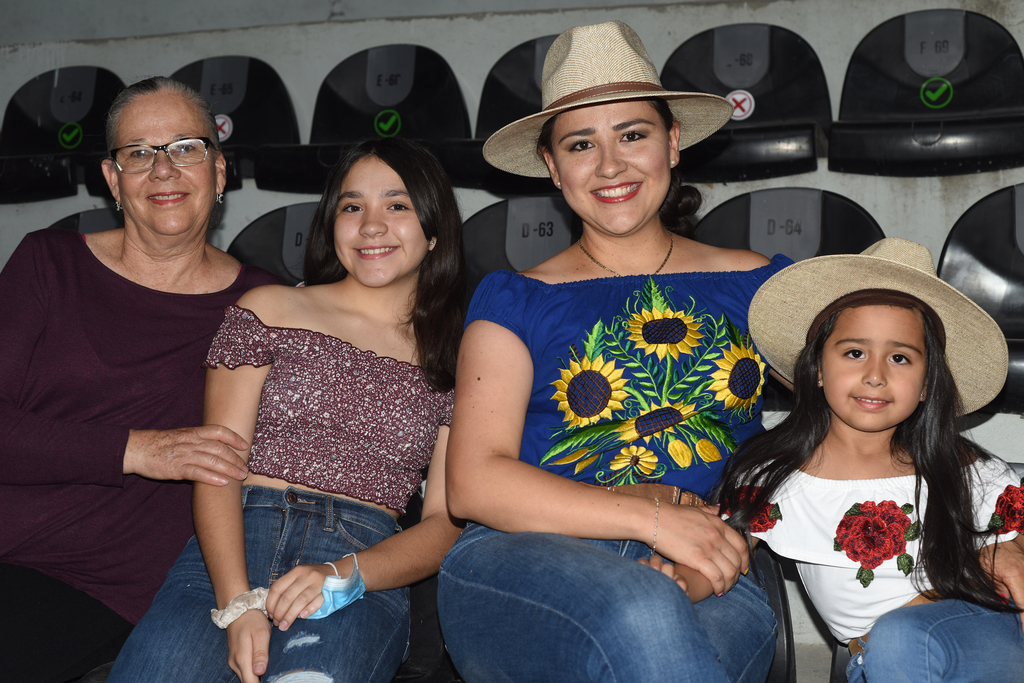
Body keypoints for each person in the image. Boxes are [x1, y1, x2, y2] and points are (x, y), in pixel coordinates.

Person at [437, 21, 791, 682]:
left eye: (632, 134)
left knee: (663, 627)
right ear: (552, 165)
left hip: (705, 559)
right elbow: (473, 481)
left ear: (673, 142)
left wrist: (729, 529)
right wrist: (654, 515)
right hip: (524, 556)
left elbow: (850, 424)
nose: (609, 166)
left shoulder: (760, 285)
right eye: (580, 144)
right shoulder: (514, 297)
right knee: (643, 612)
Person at [107, 137, 466, 683]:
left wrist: (345, 574)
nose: (371, 226)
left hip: (359, 566)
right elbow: (216, 465)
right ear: (331, 222)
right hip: (227, 554)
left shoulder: (455, 356)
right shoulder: (268, 310)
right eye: (352, 206)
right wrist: (237, 604)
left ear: (434, 229)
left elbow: (443, 525)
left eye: (398, 205)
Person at [0, 77, 280, 683]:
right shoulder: (48, 262)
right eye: (138, 153)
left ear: (220, 171)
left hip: (103, 586)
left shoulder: (265, 305)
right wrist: (139, 448)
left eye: (186, 147)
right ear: (111, 179)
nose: (163, 169)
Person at [717, 237, 1024, 682]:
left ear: (925, 385)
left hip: (984, 637)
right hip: (878, 662)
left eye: (900, 357)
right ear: (818, 368)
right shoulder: (771, 475)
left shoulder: (965, 469)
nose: (876, 375)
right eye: (855, 352)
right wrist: (682, 582)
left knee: (901, 637)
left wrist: (1009, 546)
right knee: (894, 645)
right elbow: (721, 550)